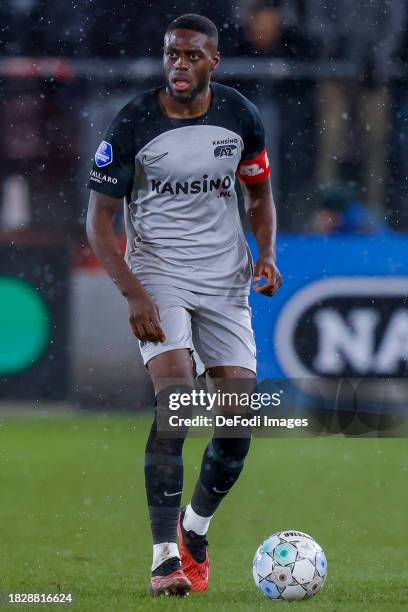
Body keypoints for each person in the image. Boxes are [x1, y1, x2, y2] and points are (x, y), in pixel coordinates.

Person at [86, 13, 281, 597]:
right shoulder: (132, 123)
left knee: (238, 422)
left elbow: (260, 194)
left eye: (192, 56)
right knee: (176, 402)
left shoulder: (240, 116)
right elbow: (97, 224)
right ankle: (164, 559)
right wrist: (134, 293)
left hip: (224, 277)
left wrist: (266, 254)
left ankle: (193, 530)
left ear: (213, 62)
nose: (179, 64)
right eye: (172, 54)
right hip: (159, 274)